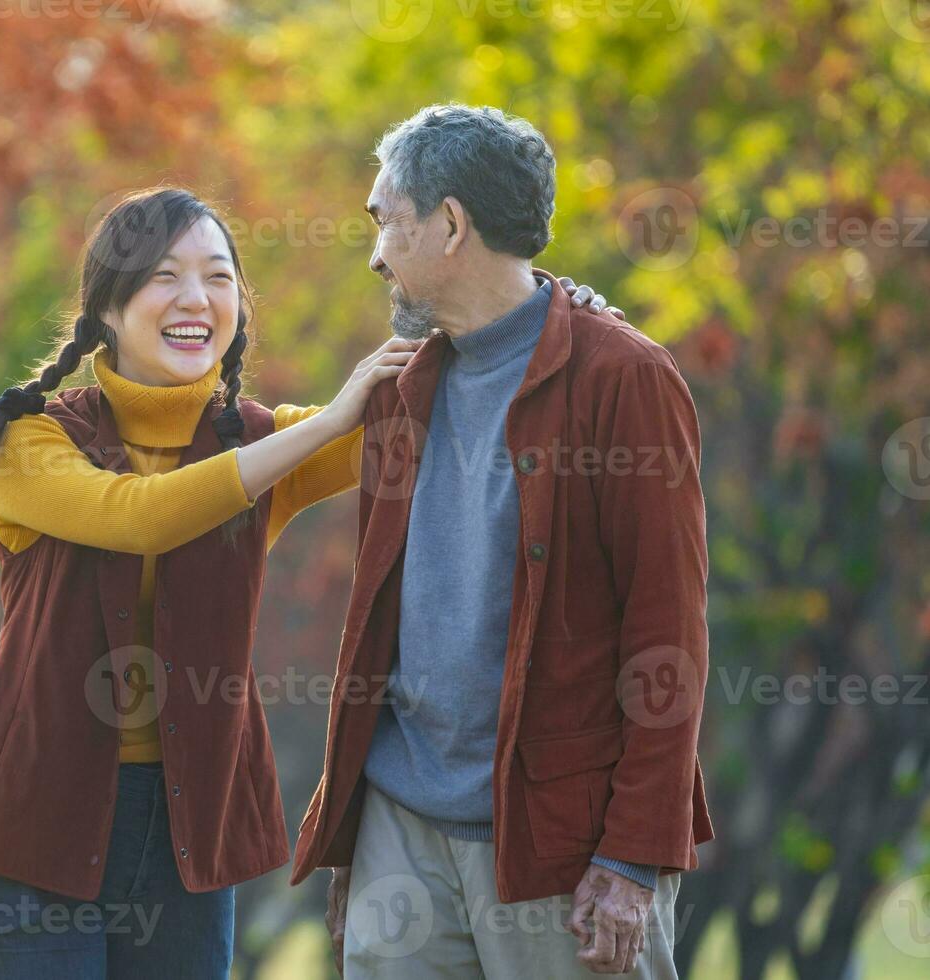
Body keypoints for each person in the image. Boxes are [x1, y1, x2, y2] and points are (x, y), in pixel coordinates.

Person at [0, 186, 620, 979]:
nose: (196, 299)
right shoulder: (29, 442)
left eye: (218, 278)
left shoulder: (259, 444)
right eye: (164, 276)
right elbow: (139, 516)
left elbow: (441, 399)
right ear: (107, 310)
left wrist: (552, 312)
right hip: (31, 826)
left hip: (190, 831)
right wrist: (326, 423)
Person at [289, 104, 714, 979]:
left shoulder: (624, 379)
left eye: (385, 222)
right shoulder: (399, 385)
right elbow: (376, 623)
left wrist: (635, 856)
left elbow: (668, 633)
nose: (373, 254)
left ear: (450, 225)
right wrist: (353, 845)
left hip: (559, 846)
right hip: (397, 833)